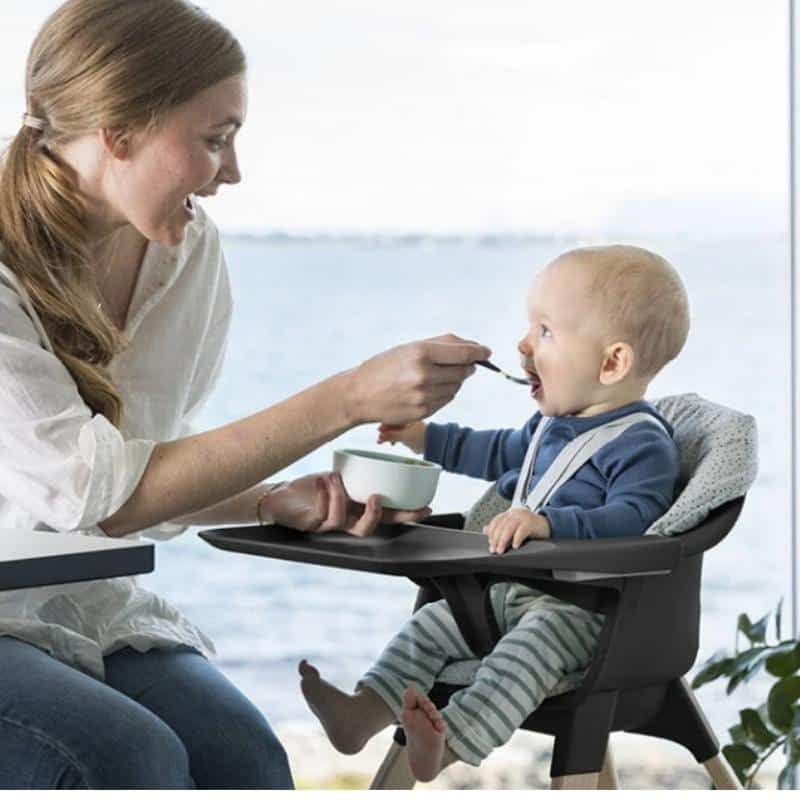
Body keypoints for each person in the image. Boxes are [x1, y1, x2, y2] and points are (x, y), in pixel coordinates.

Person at [0, 0, 491, 790]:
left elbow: (140, 475)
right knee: (127, 757)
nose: (233, 172)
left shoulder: (186, 256)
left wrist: (265, 501)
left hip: (77, 604)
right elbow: (89, 491)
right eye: (214, 139)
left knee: (245, 756)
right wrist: (349, 397)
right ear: (118, 130)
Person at [299, 244, 691, 781]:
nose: (523, 344)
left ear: (612, 363)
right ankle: (361, 714)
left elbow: (634, 518)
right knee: (434, 623)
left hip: (587, 612)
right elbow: (496, 451)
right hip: (514, 593)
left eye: (546, 332)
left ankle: (451, 742)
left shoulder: (641, 444)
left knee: (530, 648)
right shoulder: (550, 427)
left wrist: (550, 525)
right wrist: (424, 439)